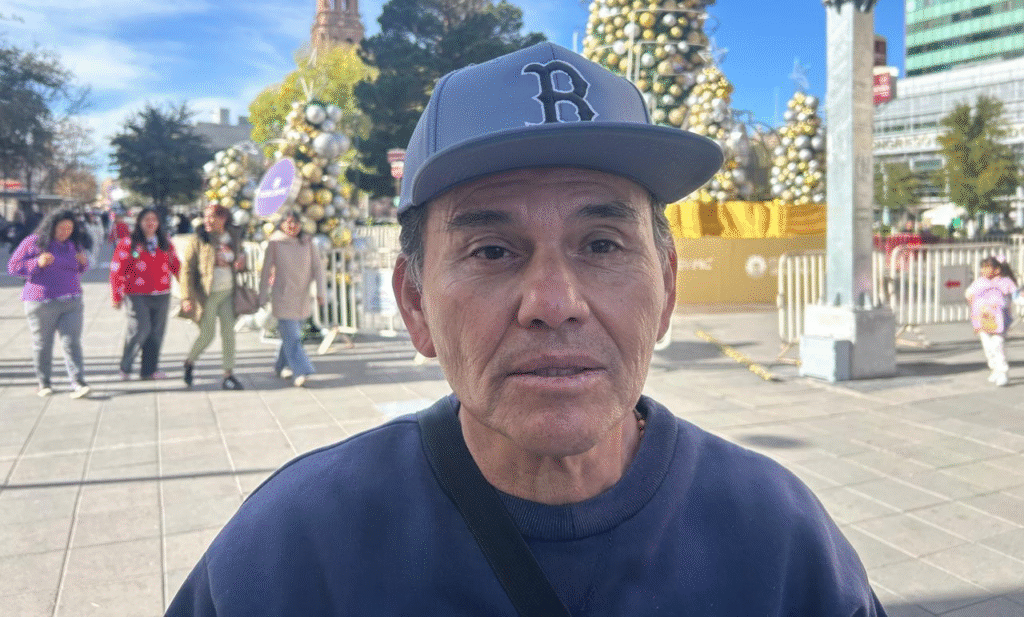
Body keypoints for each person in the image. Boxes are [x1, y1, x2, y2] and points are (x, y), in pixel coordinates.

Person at [167, 43, 887, 615]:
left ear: (667, 287)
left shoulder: (779, 541)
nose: (553, 302)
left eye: (602, 244)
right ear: (415, 303)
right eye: (491, 251)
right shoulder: (292, 552)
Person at [7, 208, 92, 398]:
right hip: (41, 303)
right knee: (43, 344)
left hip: (71, 301)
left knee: (72, 343)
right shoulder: (34, 241)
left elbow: (77, 269)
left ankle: (79, 382)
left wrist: (83, 263)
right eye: (61, 228)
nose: (65, 232)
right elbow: (13, 267)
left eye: (69, 229)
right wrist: (36, 263)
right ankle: (44, 382)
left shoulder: (73, 244)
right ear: (51, 226)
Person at [179, 203, 246, 390]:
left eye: (212, 217)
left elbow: (241, 259)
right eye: (206, 216)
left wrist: (242, 262)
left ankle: (228, 375)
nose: (207, 220)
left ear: (223, 218)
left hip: (228, 292)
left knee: (228, 334)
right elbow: (187, 270)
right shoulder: (199, 239)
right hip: (207, 295)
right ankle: (189, 362)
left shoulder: (233, 236)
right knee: (208, 335)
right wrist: (186, 297)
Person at [110, 206, 181, 380]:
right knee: (140, 328)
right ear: (139, 222)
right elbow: (117, 270)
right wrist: (116, 295)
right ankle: (125, 366)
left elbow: (176, 265)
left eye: (154, 220)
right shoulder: (128, 243)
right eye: (146, 219)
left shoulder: (165, 242)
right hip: (137, 293)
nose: (150, 223)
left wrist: (187, 288)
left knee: (156, 333)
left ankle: (149, 370)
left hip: (162, 293)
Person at [258, 210, 326, 387]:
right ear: (281, 224)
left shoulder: (308, 242)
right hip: (282, 296)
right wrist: (262, 295)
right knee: (293, 337)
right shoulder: (275, 243)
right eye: (288, 222)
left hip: (302, 297)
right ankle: (302, 371)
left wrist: (320, 292)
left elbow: (318, 269)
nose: (292, 226)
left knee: (291, 336)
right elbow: (266, 271)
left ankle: (280, 366)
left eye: (295, 222)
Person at [965, 255, 1017, 387]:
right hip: (983, 319)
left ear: (997, 269)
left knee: (997, 345)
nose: (983, 270)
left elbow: (1016, 296)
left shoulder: (1006, 282)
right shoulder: (980, 282)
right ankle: (994, 368)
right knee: (988, 346)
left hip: (1000, 320)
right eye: (982, 267)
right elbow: (969, 293)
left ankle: (1003, 372)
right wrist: (975, 305)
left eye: (987, 267)